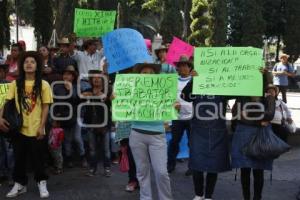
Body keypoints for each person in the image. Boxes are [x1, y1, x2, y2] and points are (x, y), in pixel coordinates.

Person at [0, 51, 53, 198]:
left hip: (37, 127)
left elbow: (45, 107)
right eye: (26, 62)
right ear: (22, 66)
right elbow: (6, 102)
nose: (29, 64)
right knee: (19, 159)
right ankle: (20, 184)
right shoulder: (14, 84)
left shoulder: (44, 84)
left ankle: (42, 183)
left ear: (37, 66)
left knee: (38, 159)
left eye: (32, 62)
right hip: (18, 129)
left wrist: (42, 126)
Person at [128, 63, 174, 200]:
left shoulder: (164, 89)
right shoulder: (131, 89)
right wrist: (116, 99)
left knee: (161, 172)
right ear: (140, 75)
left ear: (156, 76)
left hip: (157, 135)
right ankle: (145, 198)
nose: (147, 75)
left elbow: (171, 108)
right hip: (137, 134)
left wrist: (174, 108)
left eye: (151, 72)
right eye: (144, 72)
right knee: (142, 171)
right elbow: (122, 109)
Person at [181, 78, 231, 200]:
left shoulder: (224, 87)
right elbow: (185, 96)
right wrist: (192, 80)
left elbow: (241, 90)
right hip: (198, 130)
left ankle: (209, 195)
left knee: (214, 164)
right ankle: (198, 194)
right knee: (197, 163)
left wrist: (260, 76)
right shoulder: (197, 85)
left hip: (217, 130)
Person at [231, 93, 276, 200]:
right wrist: (259, 120)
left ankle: (257, 197)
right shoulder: (242, 96)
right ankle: (246, 197)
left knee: (258, 170)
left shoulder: (268, 95)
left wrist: (247, 115)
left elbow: (270, 115)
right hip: (244, 136)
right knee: (245, 170)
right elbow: (236, 113)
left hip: (259, 136)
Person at [52, 65, 86, 168]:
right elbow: (55, 102)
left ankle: (83, 156)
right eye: (65, 74)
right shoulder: (57, 87)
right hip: (64, 117)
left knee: (77, 137)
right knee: (67, 139)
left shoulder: (77, 87)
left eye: (69, 75)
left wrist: (70, 90)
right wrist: (55, 116)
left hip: (77, 115)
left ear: (73, 77)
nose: (66, 76)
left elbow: (79, 101)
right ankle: (69, 158)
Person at [82, 70, 112, 177]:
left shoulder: (107, 91)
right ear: (91, 80)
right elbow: (78, 100)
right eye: (94, 78)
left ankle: (107, 168)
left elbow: (113, 102)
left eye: (99, 77)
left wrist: (108, 98)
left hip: (105, 124)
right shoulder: (87, 90)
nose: (96, 79)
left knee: (106, 149)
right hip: (91, 124)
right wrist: (83, 96)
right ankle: (92, 169)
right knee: (92, 149)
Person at [167, 56, 193, 174]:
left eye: (185, 65)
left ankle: (192, 167)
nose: (182, 67)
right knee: (174, 142)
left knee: (192, 143)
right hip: (177, 118)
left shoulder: (195, 81)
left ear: (189, 67)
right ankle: (170, 164)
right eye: (180, 65)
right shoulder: (172, 81)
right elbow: (167, 98)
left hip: (192, 118)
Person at [0, 62, 14, 186]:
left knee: (9, 151)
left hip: (6, 123)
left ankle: (11, 175)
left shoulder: (9, 85)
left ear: (4, 73)